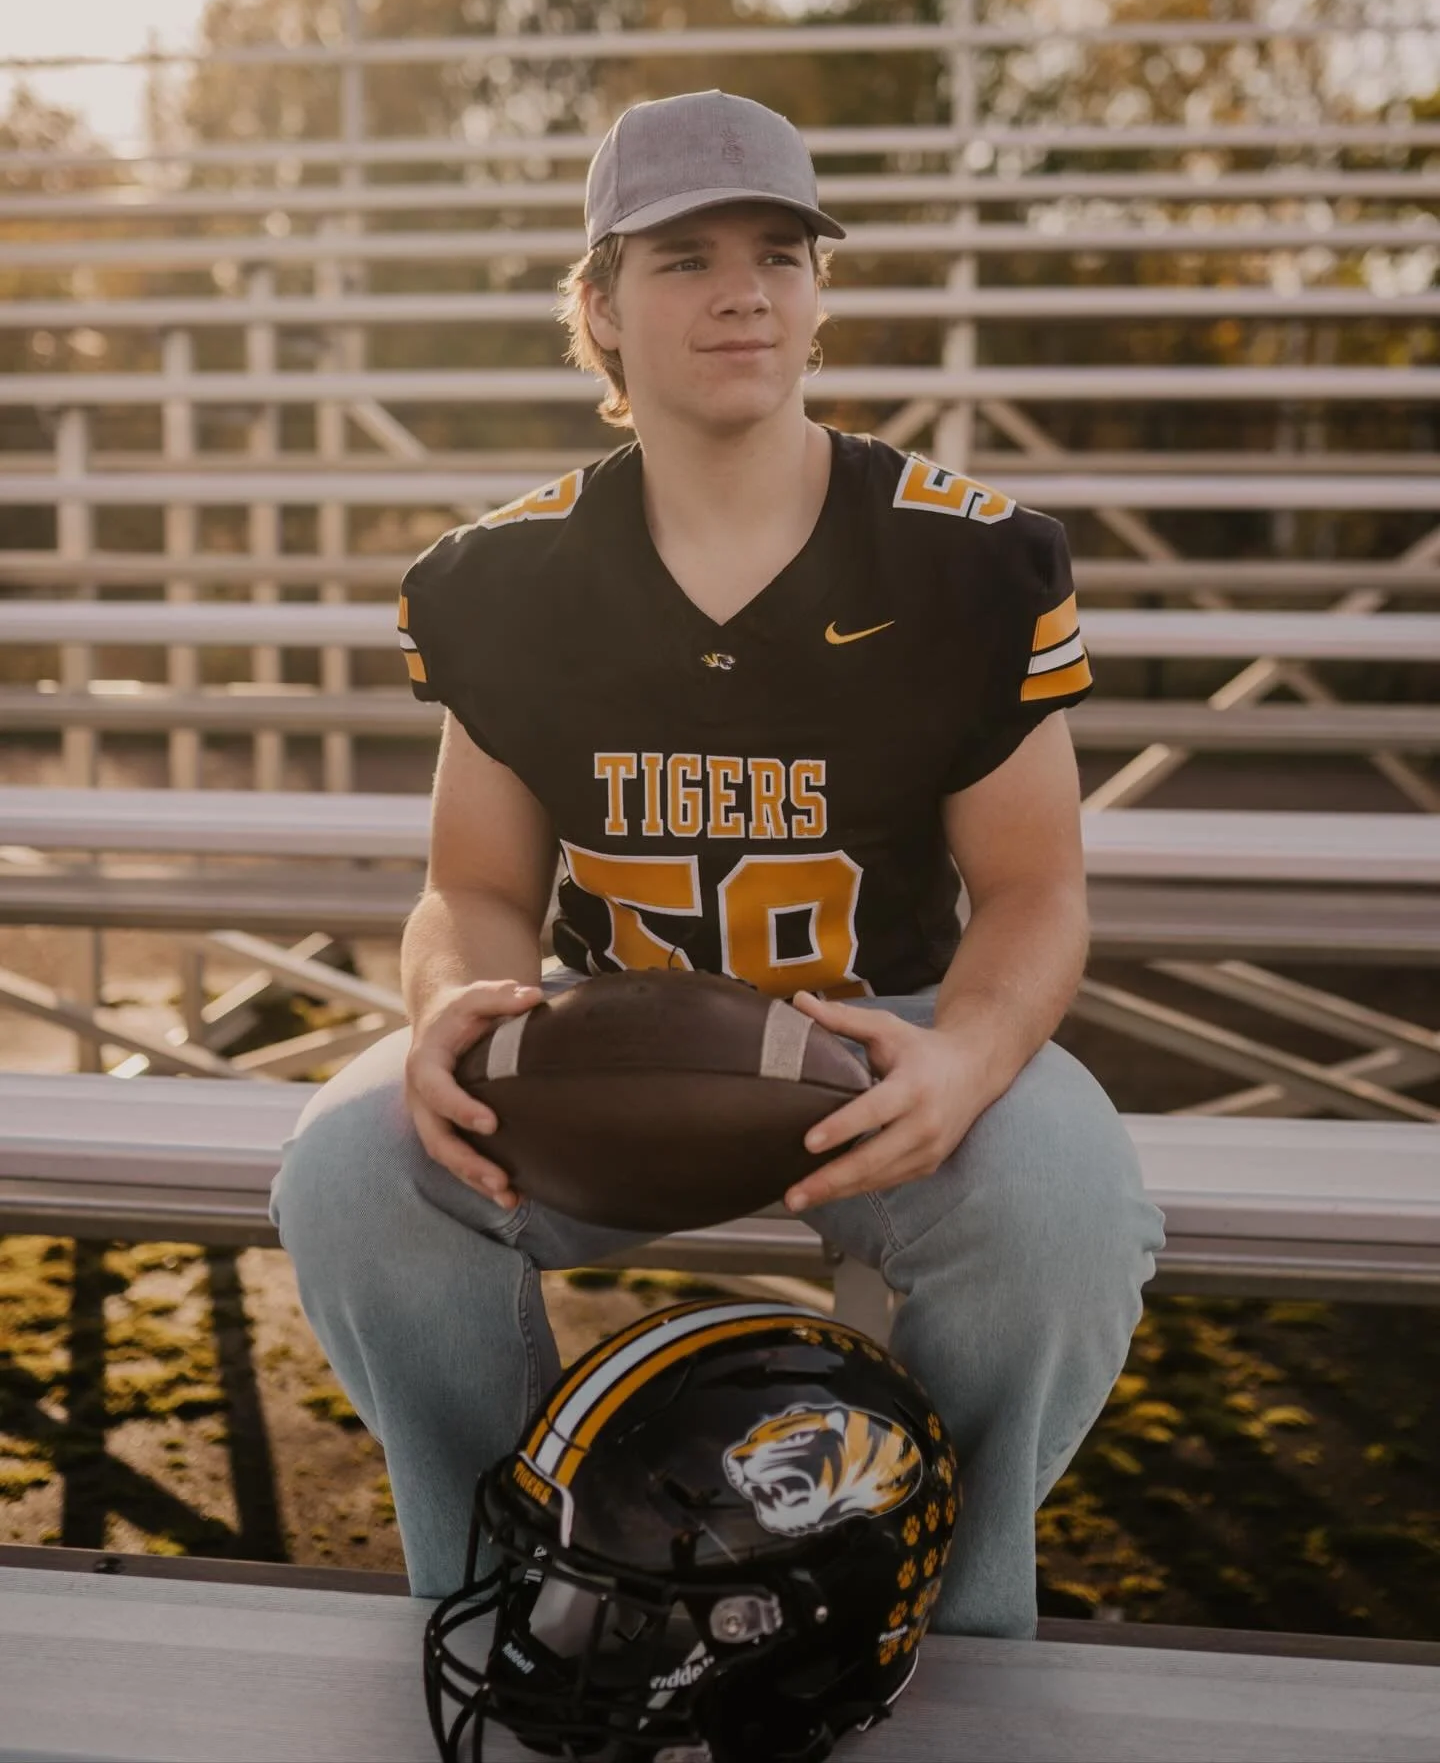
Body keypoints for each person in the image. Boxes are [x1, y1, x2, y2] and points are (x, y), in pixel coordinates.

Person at [269, 89, 1165, 1638]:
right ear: (600, 308)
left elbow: (1034, 892)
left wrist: (964, 1060)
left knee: (1060, 1206)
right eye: (684, 257)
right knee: (352, 1168)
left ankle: (925, 1612)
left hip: (884, 1031)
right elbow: (473, 880)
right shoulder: (508, 577)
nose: (743, 289)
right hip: (609, 1031)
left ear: (821, 290)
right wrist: (451, 1007)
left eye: (780, 251)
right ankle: (515, 1601)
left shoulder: (968, 558)